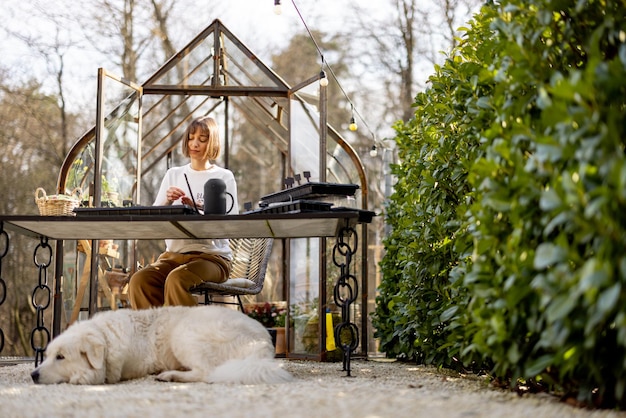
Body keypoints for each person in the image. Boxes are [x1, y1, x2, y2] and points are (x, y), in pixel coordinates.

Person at [128, 116, 239, 309]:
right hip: (173, 256)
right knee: (139, 281)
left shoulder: (223, 177)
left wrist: (199, 209)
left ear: (212, 143)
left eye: (202, 139)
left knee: (177, 279)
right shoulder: (174, 175)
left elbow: (230, 224)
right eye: (191, 138)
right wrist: (168, 200)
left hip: (211, 258)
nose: (194, 143)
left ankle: (184, 336)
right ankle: (155, 333)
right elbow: (155, 218)